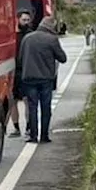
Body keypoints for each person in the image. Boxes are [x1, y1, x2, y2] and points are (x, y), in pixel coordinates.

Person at [20, 13, 67, 143]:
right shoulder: (51, 40)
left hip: (29, 79)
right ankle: (44, 136)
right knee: (45, 108)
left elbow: (20, 58)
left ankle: (33, 136)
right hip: (45, 79)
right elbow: (63, 58)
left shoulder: (27, 38)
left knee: (32, 107)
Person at [10, 11, 34, 138]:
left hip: (26, 72)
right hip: (14, 72)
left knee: (27, 100)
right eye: (24, 20)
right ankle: (16, 128)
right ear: (17, 19)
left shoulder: (31, 35)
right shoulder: (12, 36)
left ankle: (29, 127)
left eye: (28, 20)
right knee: (13, 100)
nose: (26, 22)